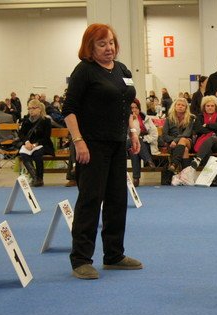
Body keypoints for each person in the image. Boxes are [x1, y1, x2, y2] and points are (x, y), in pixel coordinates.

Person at [62, 23, 142, 280]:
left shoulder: (122, 69)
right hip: (91, 145)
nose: (109, 48)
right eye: (102, 44)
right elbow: (69, 109)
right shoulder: (84, 71)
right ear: (90, 47)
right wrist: (78, 141)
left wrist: (133, 133)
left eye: (111, 43)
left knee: (118, 200)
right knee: (90, 201)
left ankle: (114, 255)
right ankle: (81, 259)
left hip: (118, 143)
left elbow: (128, 105)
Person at [17, 99, 54, 187]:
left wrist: (35, 145)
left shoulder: (46, 120)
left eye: (33, 108)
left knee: (37, 154)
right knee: (24, 155)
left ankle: (40, 178)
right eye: (29, 108)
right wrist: (26, 142)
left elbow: (46, 137)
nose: (31, 110)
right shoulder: (26, 120)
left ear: (39, 109)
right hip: (28, 145)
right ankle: (35, 178)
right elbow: (21, 134)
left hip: (42, 145)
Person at [128, 99, 158, 187]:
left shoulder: (146, 118)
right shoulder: (125, 119)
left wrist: (142, 138)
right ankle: (148, 161)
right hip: (127, 143)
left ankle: (136, 178)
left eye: (136, 108)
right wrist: (132, 121)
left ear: (139, 109)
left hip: (144, 144)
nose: (134, 110)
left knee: (134, 149)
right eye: (131, 108)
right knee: (134, 142)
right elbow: (128, 136)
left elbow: (154, 134)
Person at [162, 97, 196, 174]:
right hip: (171, 144)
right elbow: (164, 135)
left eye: (183, 105)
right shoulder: (169, 119)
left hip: (187, 141)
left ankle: (174, 164)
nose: (180, 106)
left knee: (183, 139)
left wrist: (175, 140)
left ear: (186, 108)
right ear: (175, 106)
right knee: (185, 150)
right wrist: (172, 141)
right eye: (178, 105)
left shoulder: (190, 118)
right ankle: (185, 175)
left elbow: (187, 133)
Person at [192, 95, 217, 167]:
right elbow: (198, 129)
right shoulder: (200, 116)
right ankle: (213, 176)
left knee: (211, 139)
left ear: (215, 107)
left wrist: (207, 125)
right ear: (204, 107)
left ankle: (198, 159)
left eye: (212, 106)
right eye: (208, 106)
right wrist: (212, 131)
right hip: (205, 144)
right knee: (207, 150)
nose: (210, 107)